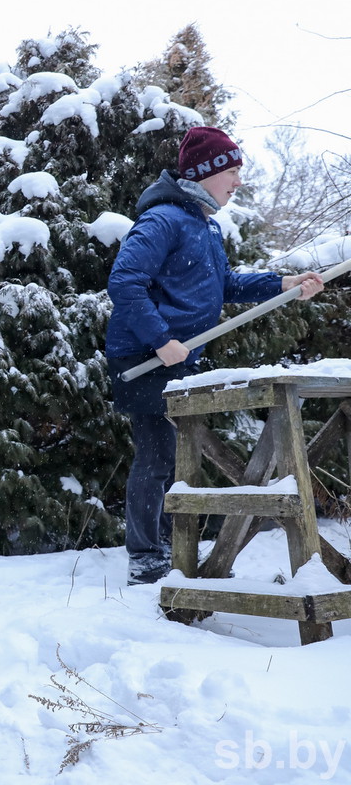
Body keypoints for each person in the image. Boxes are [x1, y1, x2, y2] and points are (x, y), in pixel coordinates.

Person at [106, 126, 325, 586]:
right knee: (157, 455)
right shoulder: (164, 219)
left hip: (177, 358)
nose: (238, 181)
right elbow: (125, 281)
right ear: (205, 172)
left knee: (178, 455)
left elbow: (224, 286)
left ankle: (169, 546)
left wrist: (282, 284)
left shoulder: (205, 226)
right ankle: (147, 557)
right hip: (146, 358)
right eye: (232, 170)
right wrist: (162, 340)